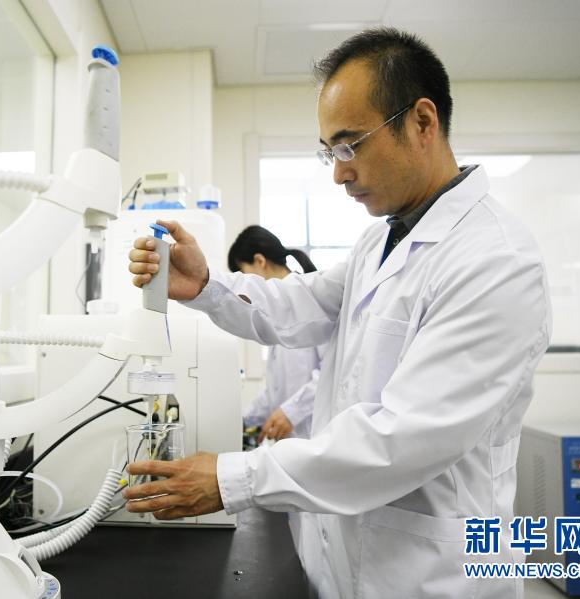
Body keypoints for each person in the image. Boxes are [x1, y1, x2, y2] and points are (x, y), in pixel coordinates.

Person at [123, 27, 551, 599]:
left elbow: (401, 440)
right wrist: (205, 286)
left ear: (422, 122)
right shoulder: (380, 240)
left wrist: (231, 478)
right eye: (330, 151)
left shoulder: (496, 260)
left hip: (431, 577)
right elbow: (300, 304)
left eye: (350, 145)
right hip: (340, 560)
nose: (338, 172)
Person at [228, 225, 322, 442]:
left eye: (245, 277)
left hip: (315, 434)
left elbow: (331, 372)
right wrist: (242, 421)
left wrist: (291, 412)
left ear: (260, 261)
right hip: (292, 442)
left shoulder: (312, 298)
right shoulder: (277, 310)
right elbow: (275, 392)